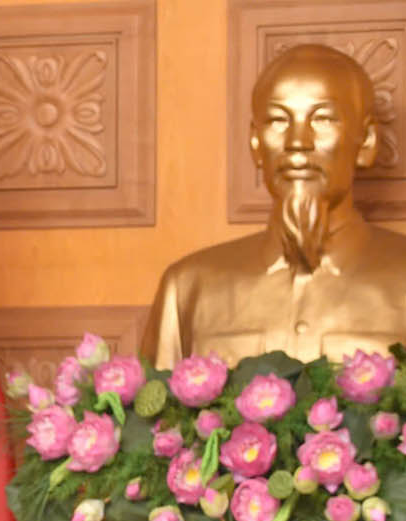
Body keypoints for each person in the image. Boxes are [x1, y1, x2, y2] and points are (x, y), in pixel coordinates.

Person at [141, 44, 406, 367]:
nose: (297, 142)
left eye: (322, 119)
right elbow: (155, 413)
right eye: (278, 120)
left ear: (365, 141)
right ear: (255, 143)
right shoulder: (188, 288)